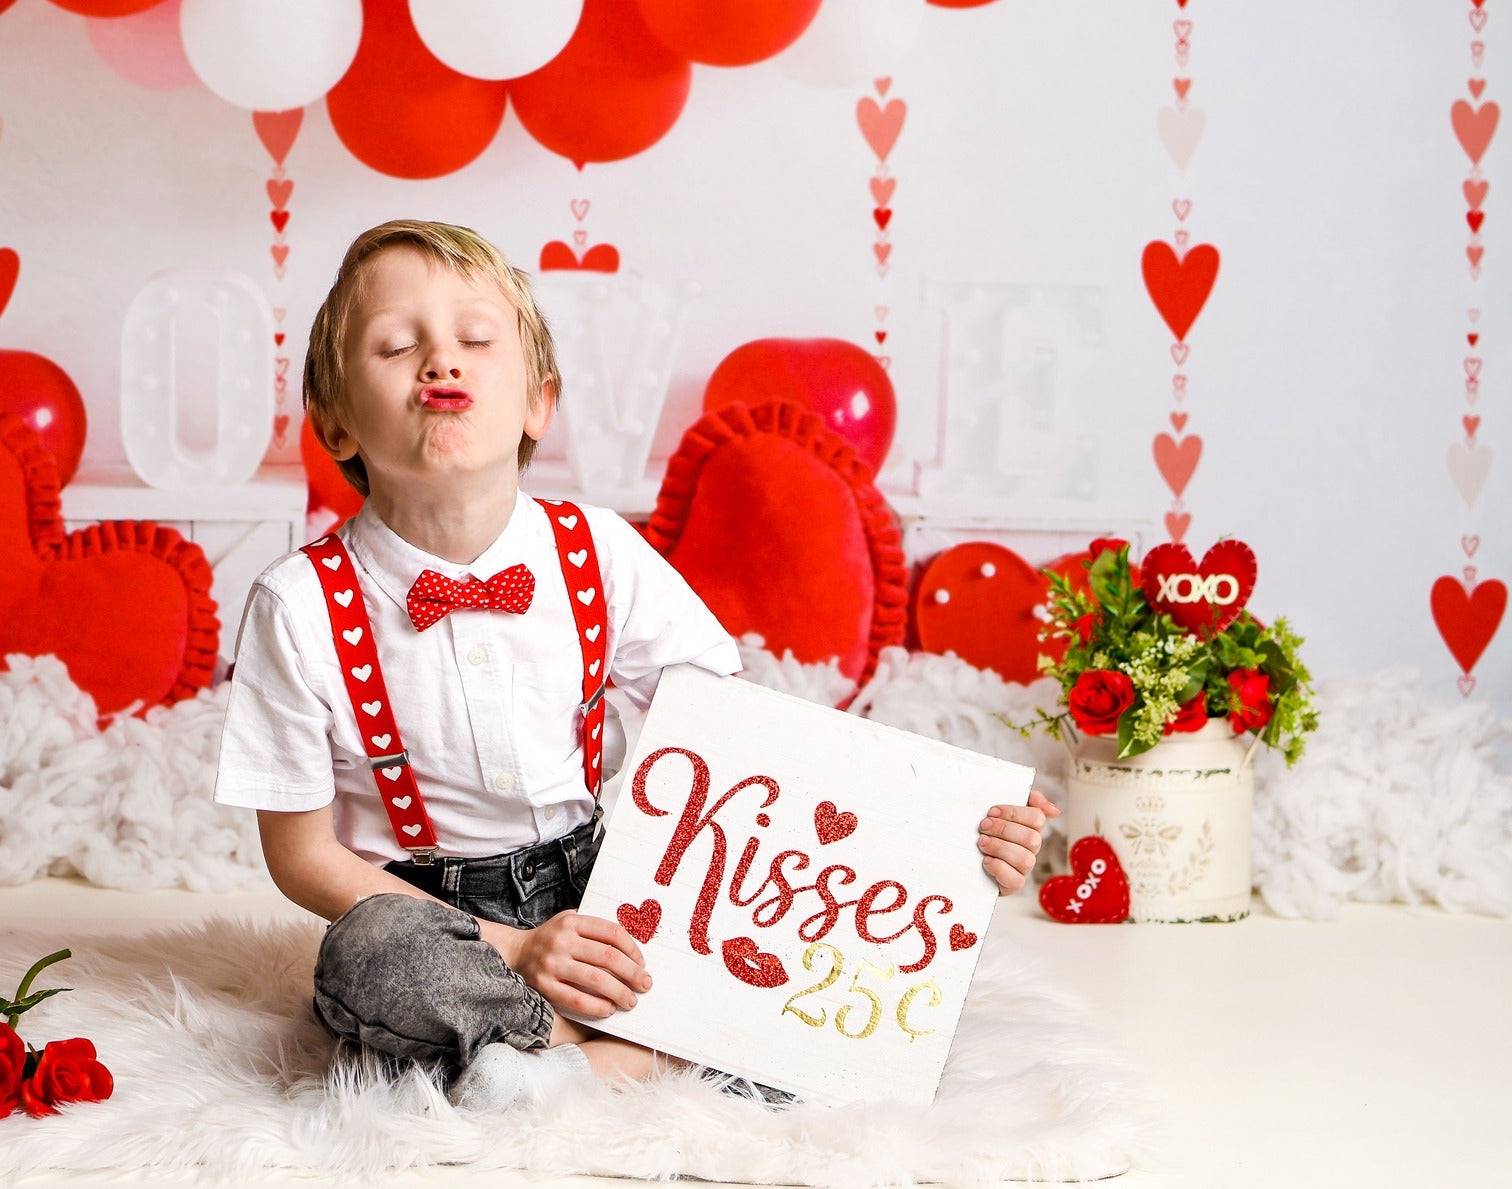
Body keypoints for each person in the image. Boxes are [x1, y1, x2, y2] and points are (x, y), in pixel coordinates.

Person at [214, 219, 1059, 1111]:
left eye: (474, 337)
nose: (440, 362)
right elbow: (303, 855)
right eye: (396, 345)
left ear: (540, 402)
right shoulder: (298, 603)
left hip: (603, 880)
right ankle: (655, 1044)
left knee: (780, 938)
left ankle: (570, 1067)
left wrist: (943, 829)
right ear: (336, 422)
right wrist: (517, 951)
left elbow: (751, 748)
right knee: (369, 958)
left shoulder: (598, 552)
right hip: (430, 914)